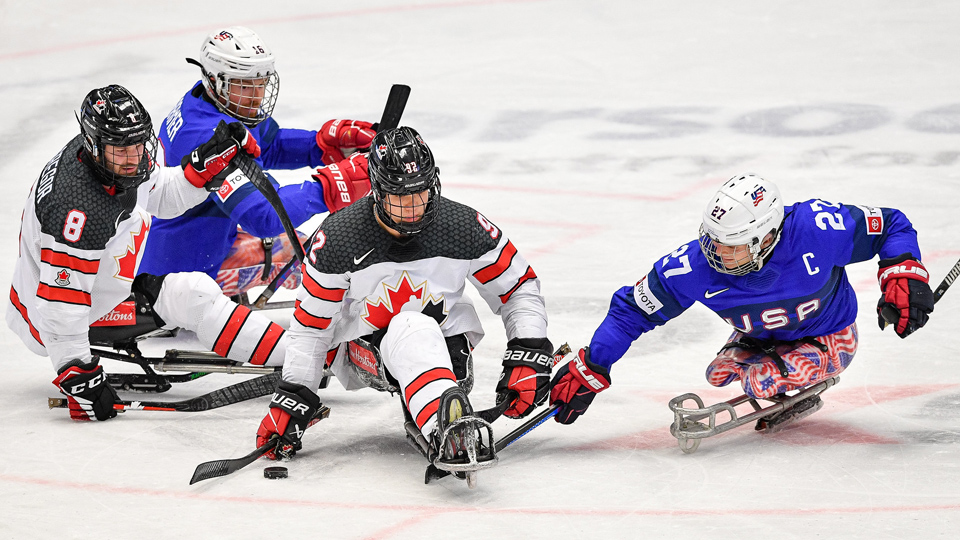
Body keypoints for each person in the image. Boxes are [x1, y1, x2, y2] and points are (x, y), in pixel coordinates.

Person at [253, 127, 554, 480]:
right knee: (412, 325)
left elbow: (518, 286)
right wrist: (294, 394)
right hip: (367, 354)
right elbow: (312, 327)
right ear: (378, 191)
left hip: (451, 352)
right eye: (400, 196)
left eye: (422, 192)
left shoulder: (464, 226)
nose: (413, 206)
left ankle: (442, 406)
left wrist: (528, 349)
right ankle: (448, 426)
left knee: (419, 328)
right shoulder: (338, 238)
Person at [549, 173, 934, 428]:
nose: (716, 254)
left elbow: (891, 224)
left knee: (758, 381)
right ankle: (768, 354)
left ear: (767, 237)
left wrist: (902, 273)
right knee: (718, 374)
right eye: (712, 240)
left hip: (829, 335)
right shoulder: (693, 266)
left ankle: (798, 363)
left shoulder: (817, 228)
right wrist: (593, 364)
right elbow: (631, 311)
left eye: (730, 246)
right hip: (757, 337)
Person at [7, 85, 292, 422]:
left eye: (138, 145)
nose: (134, 158)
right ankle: (302, 356)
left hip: (91, 281)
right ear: (94, 144)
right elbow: (61, 305)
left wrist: (201, 173)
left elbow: (160, 195)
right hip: (54, 317)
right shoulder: (77, 210)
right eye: (121, 150)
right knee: (192, 296)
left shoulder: (111, 155)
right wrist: (78, 376)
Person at [140, 26, 376, 299]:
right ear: (216, 80)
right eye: (245, 85)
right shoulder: (205, 136)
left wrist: (319, 148)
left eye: (261, 83)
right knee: (328, 254)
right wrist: (329, 186)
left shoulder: (210, 101)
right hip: (178, 276)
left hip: (180, 247)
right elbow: (265, 216)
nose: (257, 96)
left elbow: (268, 144)